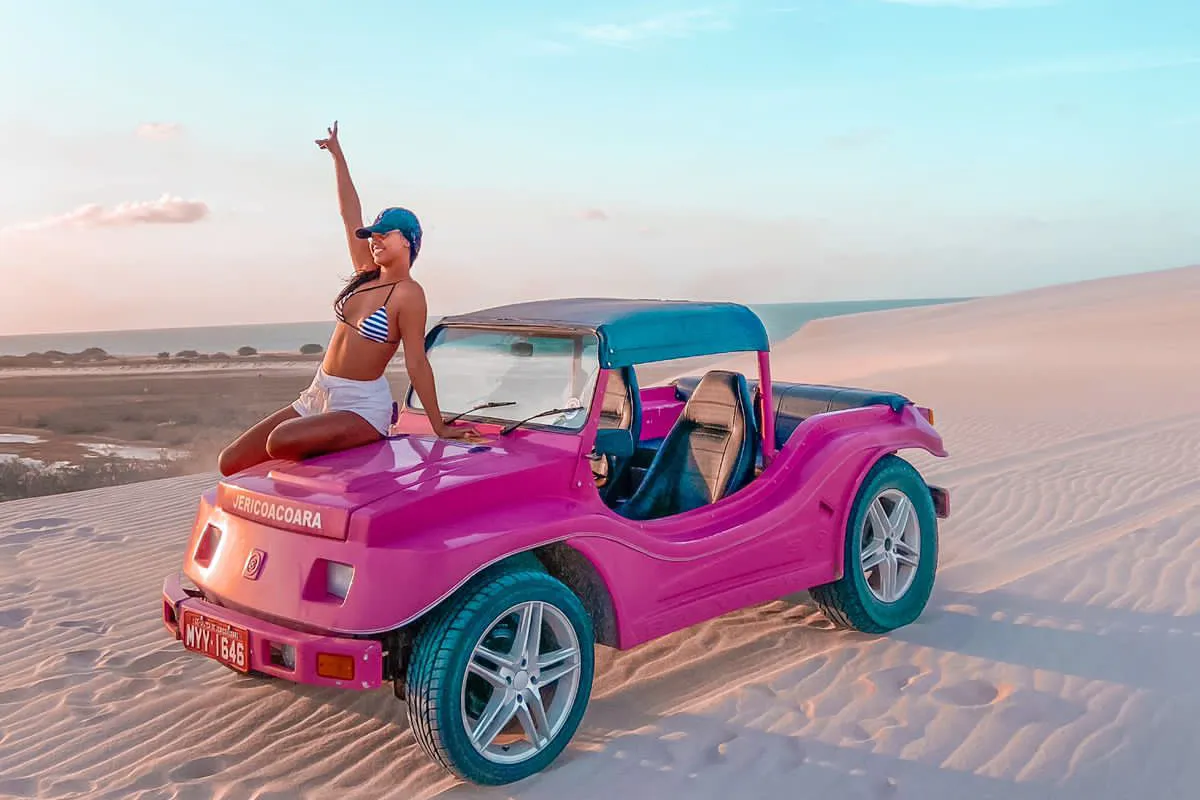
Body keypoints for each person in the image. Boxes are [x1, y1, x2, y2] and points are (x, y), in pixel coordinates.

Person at [217, 121, 480, 477]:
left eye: (384, 234)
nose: (375, 239)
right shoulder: (366, 272)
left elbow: (417, 362)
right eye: (373, 235)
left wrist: (439, 426)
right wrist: (337, 157)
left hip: (361, 407)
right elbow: (349, 214)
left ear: (407, 241)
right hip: (318, 393)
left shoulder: (408, 294)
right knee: (230, 461)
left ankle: (363, 442)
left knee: (280, 442)